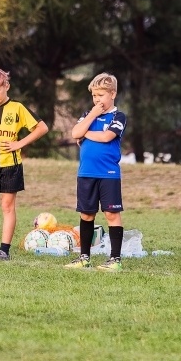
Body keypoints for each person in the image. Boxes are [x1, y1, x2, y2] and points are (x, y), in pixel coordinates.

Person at [0, 67, 49, 260]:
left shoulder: (18, 108)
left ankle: (4, 250)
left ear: (6, 86)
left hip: (10, 166)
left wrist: (19, 144)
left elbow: (42, 127)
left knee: (7, 206)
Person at [65, 73, 127, 272]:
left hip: (108, 174)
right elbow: (75, 133)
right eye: (94, 95)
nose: (97, 99)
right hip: (86, 173)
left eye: (101, 95)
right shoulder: (87, 115)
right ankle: (84, 258)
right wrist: (92, 115)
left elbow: (107, 137)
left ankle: (115, 260)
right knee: (86, 214)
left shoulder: (118, 116)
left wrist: (86, 133)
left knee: (111, 213)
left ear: (113, 94)